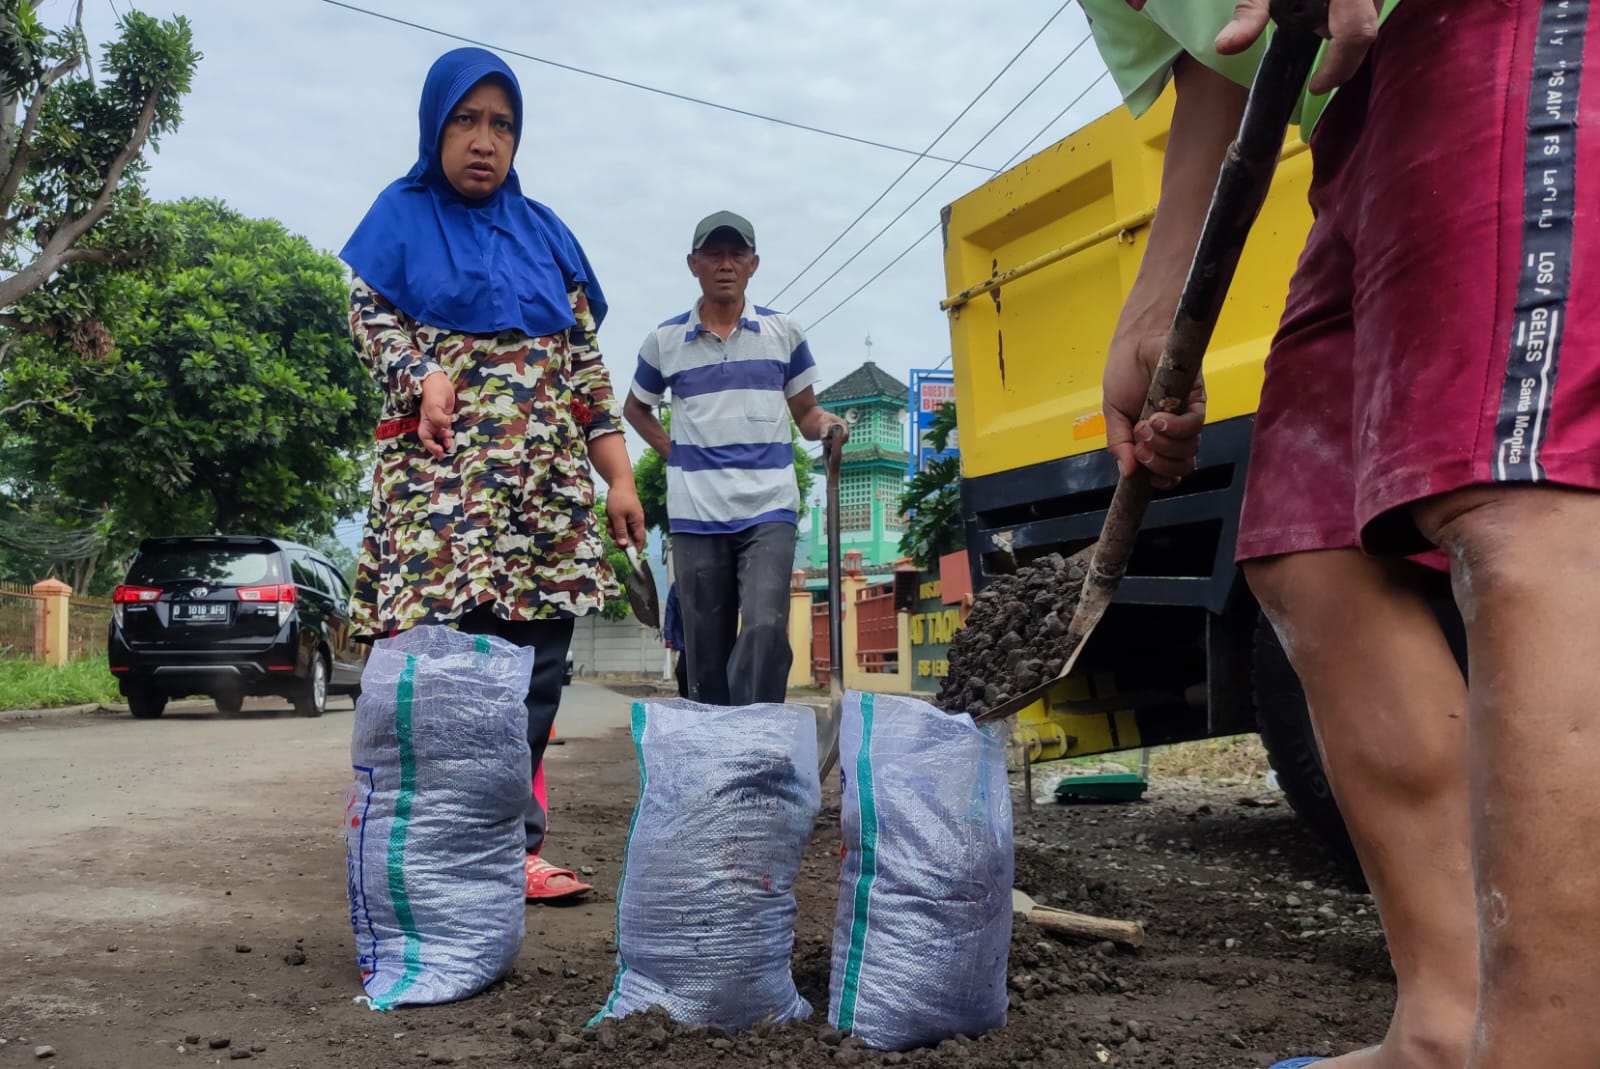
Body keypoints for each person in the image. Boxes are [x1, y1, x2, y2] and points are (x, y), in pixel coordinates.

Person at [1083, 1, 1600, 1067]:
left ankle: (1546, 1045)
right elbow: (1211, 74)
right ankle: (1441, 1028)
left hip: (1494, 26)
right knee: (1305, 543)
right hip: (1353, 124)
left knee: (1509, 499)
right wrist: (1154, 302)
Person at [340, 47, 645, 903]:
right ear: (436, 127)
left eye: (501, 123)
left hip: (542, 499)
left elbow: (586, 373)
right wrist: (422, 377)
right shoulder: (396, 221)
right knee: (444, 670)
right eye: (466, 121)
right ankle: (429, 849)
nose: (485, 141)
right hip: (445, 498)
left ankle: (512, 848)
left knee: (534, 674)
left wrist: (618, 478)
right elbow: (373, 329)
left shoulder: (546, 236)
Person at [623, 212, 848, 706]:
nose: (725, 264)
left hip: (768, 508)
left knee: (766, 625)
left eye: (736, 254)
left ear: (753, 264)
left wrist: (828, 427)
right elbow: (635, 409)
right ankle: (714, 756)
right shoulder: (664, 341)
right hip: (696, 515)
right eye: (714, 254)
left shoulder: (782, 332)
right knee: (705, 647)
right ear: (693, 264)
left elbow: (806, 411)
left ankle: (758, 736)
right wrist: (675, 452)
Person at [663, 581, 688, 698]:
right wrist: (668, 635)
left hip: (705, 639)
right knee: (681, 671)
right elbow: (670, 610)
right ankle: (685, 698)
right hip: (685, 640)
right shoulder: (676, 586)